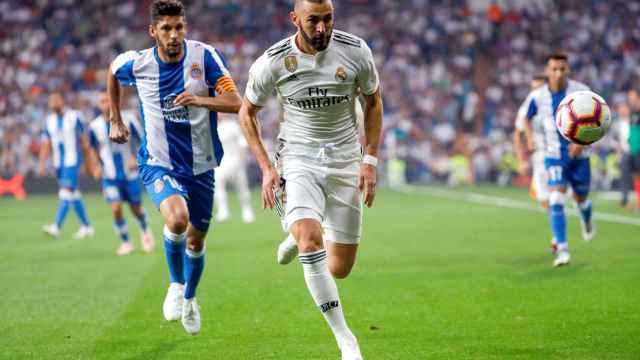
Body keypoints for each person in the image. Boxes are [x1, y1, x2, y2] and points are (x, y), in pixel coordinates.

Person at [239, 1, 383, 359]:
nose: (322, 28)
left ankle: (295, 234)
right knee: (310, 243)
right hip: (297, 158)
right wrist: (266, 168)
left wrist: (370, 160)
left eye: (327, 19)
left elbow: (374, 102)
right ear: (295, 21)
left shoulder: (355, 51)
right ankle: (345, 339)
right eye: (313, 21)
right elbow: (247, 112)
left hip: (345, 160)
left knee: (339, 268)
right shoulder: (272, 61)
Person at [107, 0, 241, 335]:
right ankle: (175, 285)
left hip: (201, 166)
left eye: (179, 26)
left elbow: (236, 102)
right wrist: (115, 119)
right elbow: (112, 72)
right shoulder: (137, 64)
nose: (173, 34)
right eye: (166, 28)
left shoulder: (204, 57)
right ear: (153, 31)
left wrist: (201, 99)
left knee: (196, 242)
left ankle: (191, 299)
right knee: (177, 219)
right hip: (158, 163)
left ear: (185, 27)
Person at [524, 53, 595, 267]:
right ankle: (562, 250)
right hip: (553, 155)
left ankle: (586, 216)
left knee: (581, 198)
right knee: (556, 199)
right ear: (547, 71)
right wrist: (529, 138)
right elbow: (526, 118)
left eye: (562, 69)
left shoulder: (581, 91)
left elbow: (598, 119)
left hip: (580, 155)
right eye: (554, 69)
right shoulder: (537, 96)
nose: (558, 73)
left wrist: (581, 142)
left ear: (568, 70)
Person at [87, 92, 155, 256]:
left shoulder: (128, 118)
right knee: (116, 208)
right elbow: (92, 148)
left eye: (107, 100)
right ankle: (126, 242)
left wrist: (135, 157)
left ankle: (145, 231)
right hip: (109, 176)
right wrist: (95, 166)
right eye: (102, 101)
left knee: (136, 208)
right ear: (98, 105)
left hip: (129, 174)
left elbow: (143, 139)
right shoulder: (94, 126)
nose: (105, 104)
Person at [39, 92, 95, 240]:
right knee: (73, 193)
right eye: (51, 100)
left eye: (56, 99)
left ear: (62, 101)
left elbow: (83, 140)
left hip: (72, 160)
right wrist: (43, 163)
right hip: (59, 163)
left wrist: (88, 162)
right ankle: (87, 226)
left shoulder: (74, 116)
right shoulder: (49, 120)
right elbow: (46, 143)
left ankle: (56, 227)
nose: (53, 102)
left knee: (66, 192)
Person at [213, 116, 255, 223]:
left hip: (235, 160)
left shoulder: (232, 126)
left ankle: (247, 211)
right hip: (220, 163)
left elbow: (243, 143)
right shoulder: (213, 126)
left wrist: (242, 158)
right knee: (218, 185)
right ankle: (223, 211)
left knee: (242, 187)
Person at [627, 89, 640, 210]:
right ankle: (638, 201)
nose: (630, 99)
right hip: (633, 149)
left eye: (632, 96)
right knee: (636, 176)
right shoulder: (632, 112)